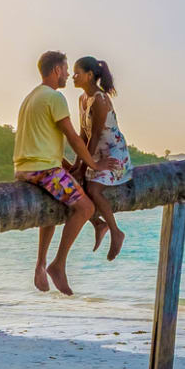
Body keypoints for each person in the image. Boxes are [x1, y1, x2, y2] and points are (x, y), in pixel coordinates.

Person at [13, 50, 114, 295]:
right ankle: (58, 265)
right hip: (43, 170)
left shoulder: (31, 97)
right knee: (86, 207)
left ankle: (40, 265)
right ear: (57, 70)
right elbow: (74, 138)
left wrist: (71, 166)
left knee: (52, 210)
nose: (68, 74)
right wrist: (94, 165)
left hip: (25, 168)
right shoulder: (54, 97)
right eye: (66, 69)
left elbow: (40, 142)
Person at [71, 56, 132, 261]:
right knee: (74, 183)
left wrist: (86, 166)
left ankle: (116, 232)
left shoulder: (100, 99)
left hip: (114, 152)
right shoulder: (82, 99)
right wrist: (77, 164)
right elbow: (83, 134)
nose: (73, 76)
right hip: (95, 152)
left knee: (93, 190)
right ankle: (98, 224)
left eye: (77, 73)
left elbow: (96, 135)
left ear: (89, 75)